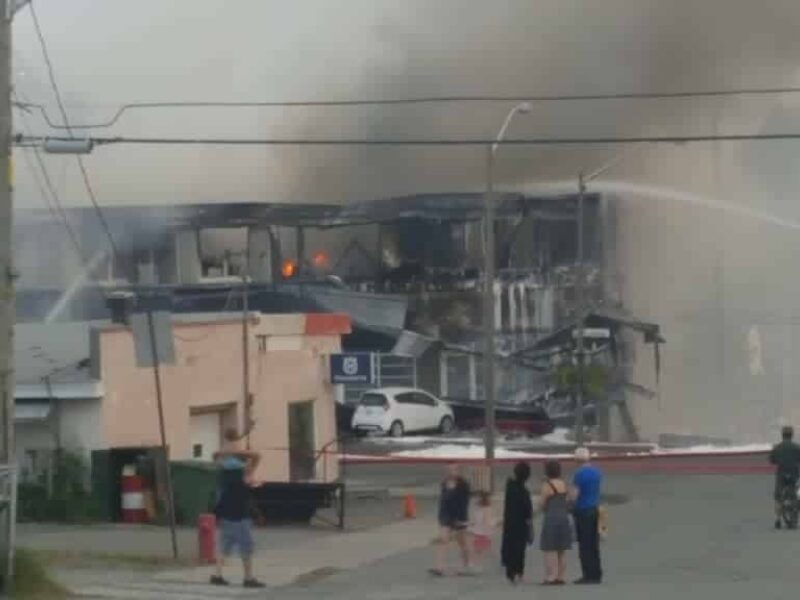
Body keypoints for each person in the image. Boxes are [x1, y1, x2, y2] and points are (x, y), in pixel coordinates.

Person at [210, 432, 265, 589]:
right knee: (246, 546)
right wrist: (237, 449)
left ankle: (217, 575)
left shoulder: (221, 470)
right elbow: (257, 456)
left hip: (225, 512)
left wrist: (227, 450)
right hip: (240, 514)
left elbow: (215, 455)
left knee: (225, 545)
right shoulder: (245, 472)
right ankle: (248, 578)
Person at [430, 463, 472, 576]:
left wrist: (461, 519)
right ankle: (440, 567)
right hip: (446, 516)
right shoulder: (444, 483)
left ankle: (466, 565)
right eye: (449, 469)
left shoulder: (463, 485)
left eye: (454, 469)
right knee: (443, 540)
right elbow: (443, 501)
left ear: (459, 471)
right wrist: (441, 516)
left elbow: (464, 503)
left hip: (459, 516)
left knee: (462, 542)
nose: (451, 472)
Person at [571, 447, 603, 584]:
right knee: (593, 543)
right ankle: (596, 572)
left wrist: (569, 503)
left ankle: (588, 574)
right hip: (594, 508)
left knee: (584, 544)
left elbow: (574, 495)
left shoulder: (579, 474)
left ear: (577, 460)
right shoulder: (597, 473)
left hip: (582, 510)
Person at [538, 460, 573, 585]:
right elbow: (570, 500)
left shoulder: (547, 485)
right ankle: (561, 576)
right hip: (564, 519)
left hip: (551, 519)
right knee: (561, 549)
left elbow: (541, 503)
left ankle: (550, 576)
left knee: (550, 549)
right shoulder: (564, 484)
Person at [501, 461, 533, 584]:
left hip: (509, 522)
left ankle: (510, 573)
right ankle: (519, 573)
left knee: (510, 547)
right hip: (521, 524)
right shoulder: (524, 492)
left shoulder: (510, 487)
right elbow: (528, 510)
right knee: (520, 550)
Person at [769, 425, 800, 529]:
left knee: (778, 497)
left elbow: (771, 460)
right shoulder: (797, 447)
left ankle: (778, 520)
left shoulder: (777, 447)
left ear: (782, 435)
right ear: (792, 435)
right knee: (795, 492)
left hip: (781, 474)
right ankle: (795, 508)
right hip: (794, 474)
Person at [469, 491, 496, 566]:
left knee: (478, 549)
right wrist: (490, 530)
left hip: (477, 531)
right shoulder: (487, 508)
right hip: (483, 531)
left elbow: (475, 520)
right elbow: (487, 521)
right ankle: (476, 563)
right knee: (484, 548)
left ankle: (473, 563)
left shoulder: (478, 508)